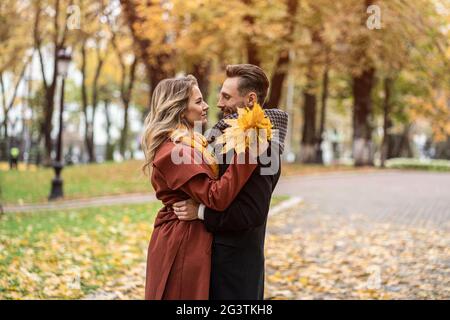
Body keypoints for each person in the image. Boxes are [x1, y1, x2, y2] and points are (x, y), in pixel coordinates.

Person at [173, 64, 288, 299]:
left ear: (250, 99)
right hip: (219, 261)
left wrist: (200, 213)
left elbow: (252, 213)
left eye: (226, 96)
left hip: (235, 269)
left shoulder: (261, 144)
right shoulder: (227, 136)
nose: (218, 103)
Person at [141, 75, 260, 300]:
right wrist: (248, 150)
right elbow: (216, 196)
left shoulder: (192, 143)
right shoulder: (173, 152)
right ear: (178, 108)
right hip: (181, 241)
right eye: (198, 102)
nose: (206, 106)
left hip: (192, 234)